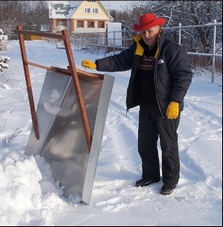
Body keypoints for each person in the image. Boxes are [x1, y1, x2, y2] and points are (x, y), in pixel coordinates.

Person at [81, 13, 193, 195]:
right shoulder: (138, 47)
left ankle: (170, 180)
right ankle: (151, 175)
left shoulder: (171, 49)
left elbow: (184, 76)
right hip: (147, 104)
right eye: (143, 32)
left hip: (166, 106)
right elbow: (119, 60)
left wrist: (175, 100)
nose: (146, 35)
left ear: (158, 29)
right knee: (145, 143)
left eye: (150, 31)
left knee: (168, 144)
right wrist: (97, 64)